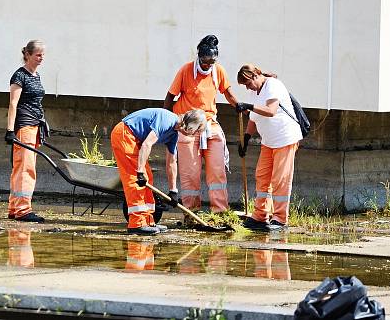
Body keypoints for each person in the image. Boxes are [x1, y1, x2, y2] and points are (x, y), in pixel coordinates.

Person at [164, 35, 240, 214]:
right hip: (188, 126)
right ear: (199, 57)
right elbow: (170, 97)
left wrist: (240, 106)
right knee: (190, 174)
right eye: (205, 62)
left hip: (210, 125)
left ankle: (220, 212)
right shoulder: (186, 70)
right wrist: (169, 121)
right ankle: (191, 212)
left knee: (217, 170)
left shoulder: (218, 71)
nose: (208, 65)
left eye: (212, 62)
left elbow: (228, 93)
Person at [110, 107, 206, 235]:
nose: (193, 135)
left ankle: (149, 221)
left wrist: (173, 191)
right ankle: (137, 224)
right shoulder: (167, 120)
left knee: (148, 177)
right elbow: (147, 144)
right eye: (195, 131)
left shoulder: (173, 134)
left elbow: (172, 162)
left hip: (134, 138)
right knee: (136, 180)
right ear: (190, 124)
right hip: (125, 134)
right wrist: (139, 171)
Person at [235, 63, 302, 232]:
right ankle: (260, 216)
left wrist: (248, 106)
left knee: (280, 179)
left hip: (284, 139)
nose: (247, 87)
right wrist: (247, 138)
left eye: (248, 83)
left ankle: (280, 219)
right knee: (262, 176)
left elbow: (271, 110)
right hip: (269, 141)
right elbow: (253, 118)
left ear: (255, 76)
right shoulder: (254, 91)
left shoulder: (273, 85)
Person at [4, 40, 49, 223]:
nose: (41, 58)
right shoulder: (19, 76)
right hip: (24, 126)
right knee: (25, 168)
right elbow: (13, 104)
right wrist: (10, 130)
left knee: (22, 167)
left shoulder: (36, 75)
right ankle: (23, 209)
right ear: (28, 55)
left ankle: (15, 208)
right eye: (38, 55)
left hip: (35, 126)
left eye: (43, 55)